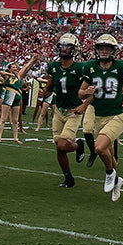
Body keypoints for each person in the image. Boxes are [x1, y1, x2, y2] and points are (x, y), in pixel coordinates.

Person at [78, 33, 123, 201]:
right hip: (99, 116)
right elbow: (80, 93)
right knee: (109, 154)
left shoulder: (121, 66)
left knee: (99, 148)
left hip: (117, 115)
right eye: (101, 48)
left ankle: (109, 173)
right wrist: (86, 92)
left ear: (113, 51)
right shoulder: (90, 67)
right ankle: (117, 181)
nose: (104, 51)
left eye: (107, 48)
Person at [41, 33, 90, 188]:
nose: (63, 49)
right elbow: (49, 88)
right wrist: (44, 93)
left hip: (73, 111)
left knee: (63, 145)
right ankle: (68, 178)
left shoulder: (80, 68)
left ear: (74, 50)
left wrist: (84, 104)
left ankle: (79, 144)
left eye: (67, 47)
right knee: (59, 149)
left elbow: (93, 89)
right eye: (62, 46)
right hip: (59, 110)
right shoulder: (53, 67)